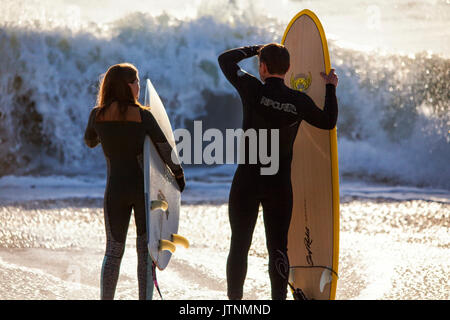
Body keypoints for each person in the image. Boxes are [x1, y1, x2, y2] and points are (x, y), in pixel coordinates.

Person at [218, 43, 338, 300]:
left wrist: (257, 47)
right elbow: (329, 121)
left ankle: (235, 302)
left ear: (262, 68)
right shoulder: (299, 101)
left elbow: (225, 60)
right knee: (278, 249)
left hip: (247, 182)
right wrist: (330, 86)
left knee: (239, 244)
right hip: (279, 185)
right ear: (289, 68)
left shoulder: (251, 88)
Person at [84, 63, 185, 300]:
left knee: (113, 251)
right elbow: (165, 149)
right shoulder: (143, 115)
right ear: (125, 86)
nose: (139, 86)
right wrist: (179, 177)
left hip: (115, 192)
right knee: (145, 252)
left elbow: (90, 141)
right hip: (143, 192)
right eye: (135, 81)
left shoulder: (97, 115)